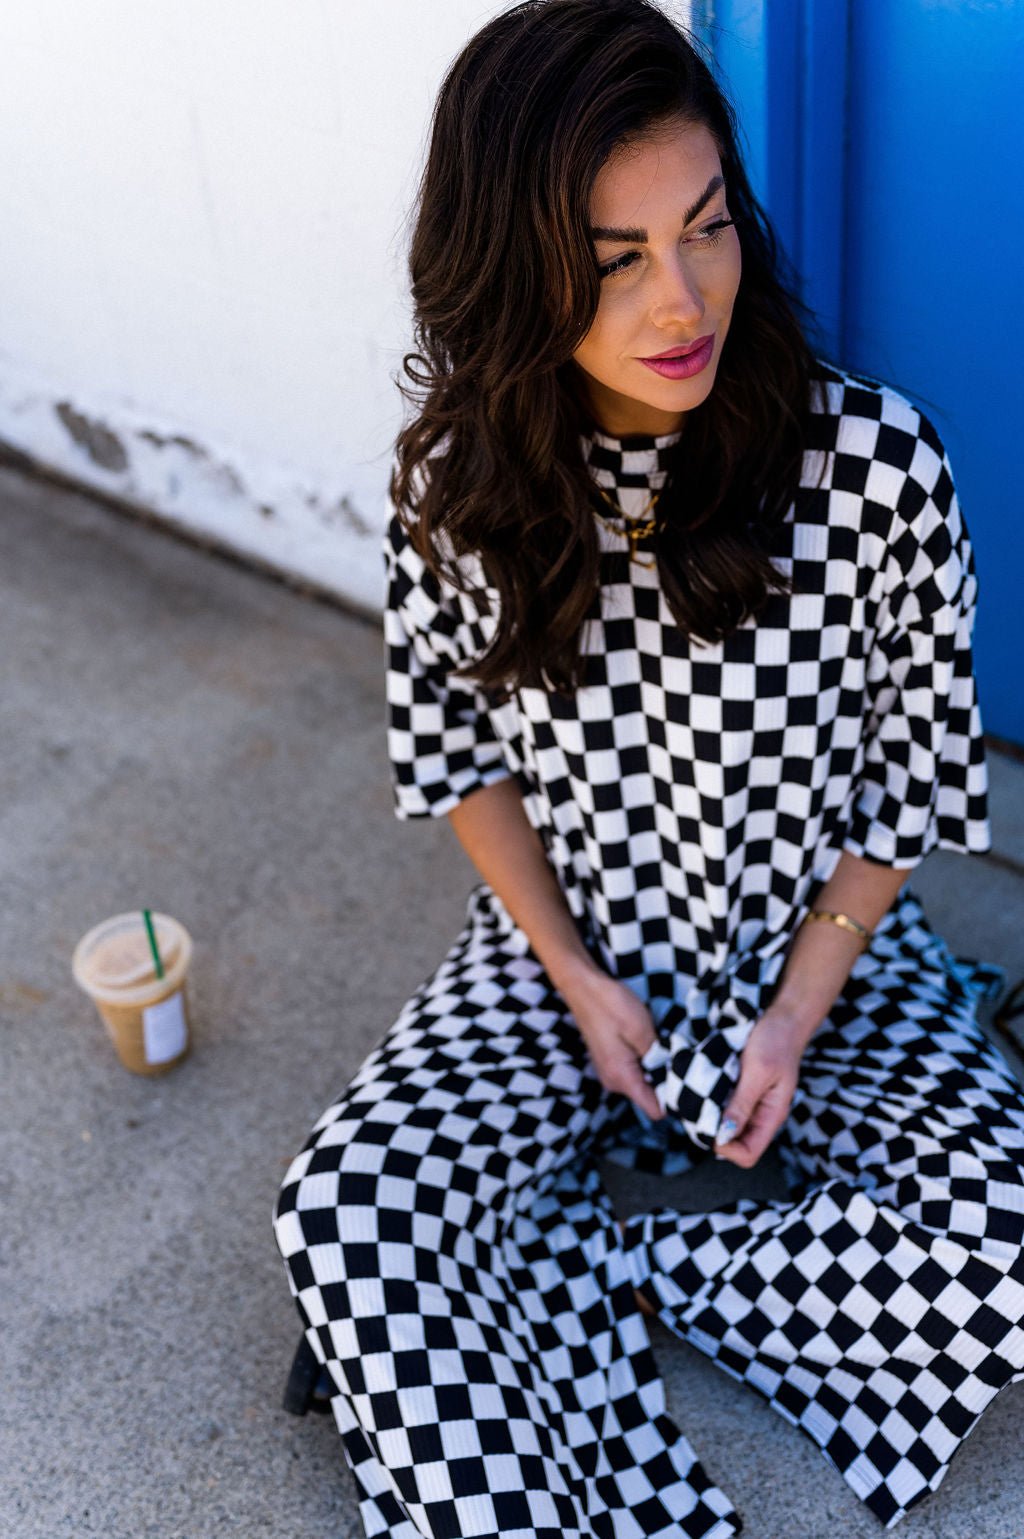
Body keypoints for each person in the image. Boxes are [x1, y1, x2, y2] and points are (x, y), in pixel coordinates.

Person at [272, 2, 1024, 1534]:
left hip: (826, 958)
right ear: (514, 272)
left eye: (705, 229)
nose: (683, 301)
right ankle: (476, 1291)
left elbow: (909, 788)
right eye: (615, 261)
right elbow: (459, 750)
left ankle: (572, 1260)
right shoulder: (462, 485)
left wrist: (799, 1011)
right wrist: (569, 971)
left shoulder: (880, 471)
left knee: (1011, 1221)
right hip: (566, 961)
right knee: (341, 1213)